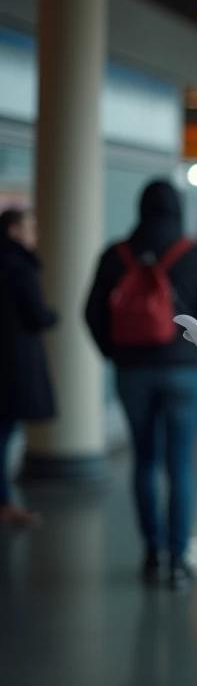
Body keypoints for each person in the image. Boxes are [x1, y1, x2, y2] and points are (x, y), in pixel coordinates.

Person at [85, 180, 197, 589]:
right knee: (180, 463)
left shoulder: (115, 255)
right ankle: (180, 560)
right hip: (184, 371)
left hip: (133, 370)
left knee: (145, 461)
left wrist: (115, 354)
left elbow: (92, 312)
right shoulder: (196, 254)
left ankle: (153, 555)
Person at [0, 209, 57, 527]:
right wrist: (52, 316)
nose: (34, 233)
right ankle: (4, 504)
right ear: (13, 230)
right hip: (13, 364)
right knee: (4, 434)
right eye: (30, 227)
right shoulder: (20, 266)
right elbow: (37, 315)